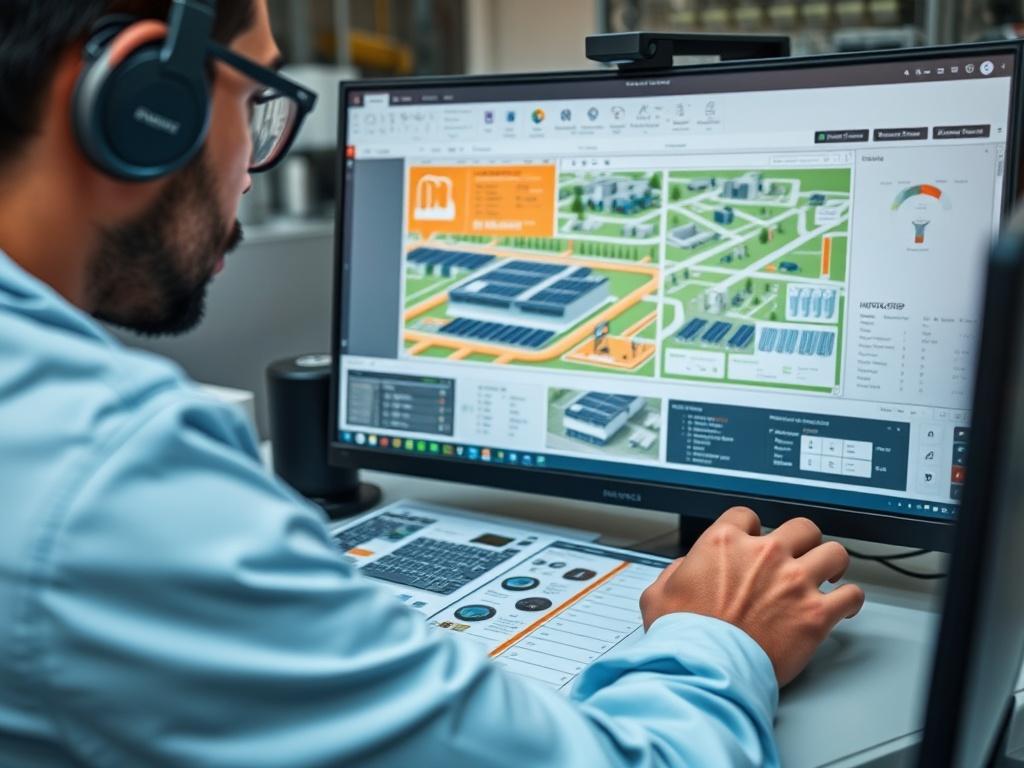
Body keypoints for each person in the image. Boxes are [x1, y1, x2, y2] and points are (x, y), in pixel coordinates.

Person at [0, 1, 866, 765]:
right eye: (256, 99)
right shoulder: (111, 477)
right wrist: (716, 639)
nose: (252, 160)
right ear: (144, 103)